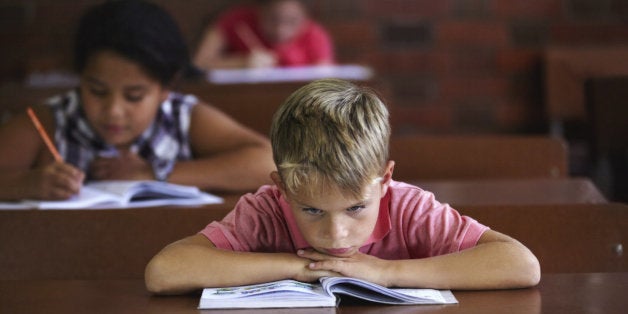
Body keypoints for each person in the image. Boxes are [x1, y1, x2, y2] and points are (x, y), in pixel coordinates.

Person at [144, 78, 541, 295]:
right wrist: (302, 268)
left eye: (355, 208)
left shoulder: (408, 207)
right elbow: (164, 272)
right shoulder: (266, 209)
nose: (335, 234)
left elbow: (521, 264)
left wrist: (387, 273)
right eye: (312, 210)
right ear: (281, 187)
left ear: (384, 181)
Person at [0, 0, 275, 201]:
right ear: (80, 77)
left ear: (165, 89)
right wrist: (22, 183)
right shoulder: (50, 119)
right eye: (96, 90)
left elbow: (268, 163)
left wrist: (153, 174)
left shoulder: (181, 116)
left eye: (134, 96)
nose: (113, 111)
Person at [193, 0, 334, 69]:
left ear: (305, 17)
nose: (280, 30)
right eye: (273, 19)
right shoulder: (235, 22)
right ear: (260, 10)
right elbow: (198, 64)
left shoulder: (315, 33)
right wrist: (241, 62)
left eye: (292, 21)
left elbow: (325, 74)